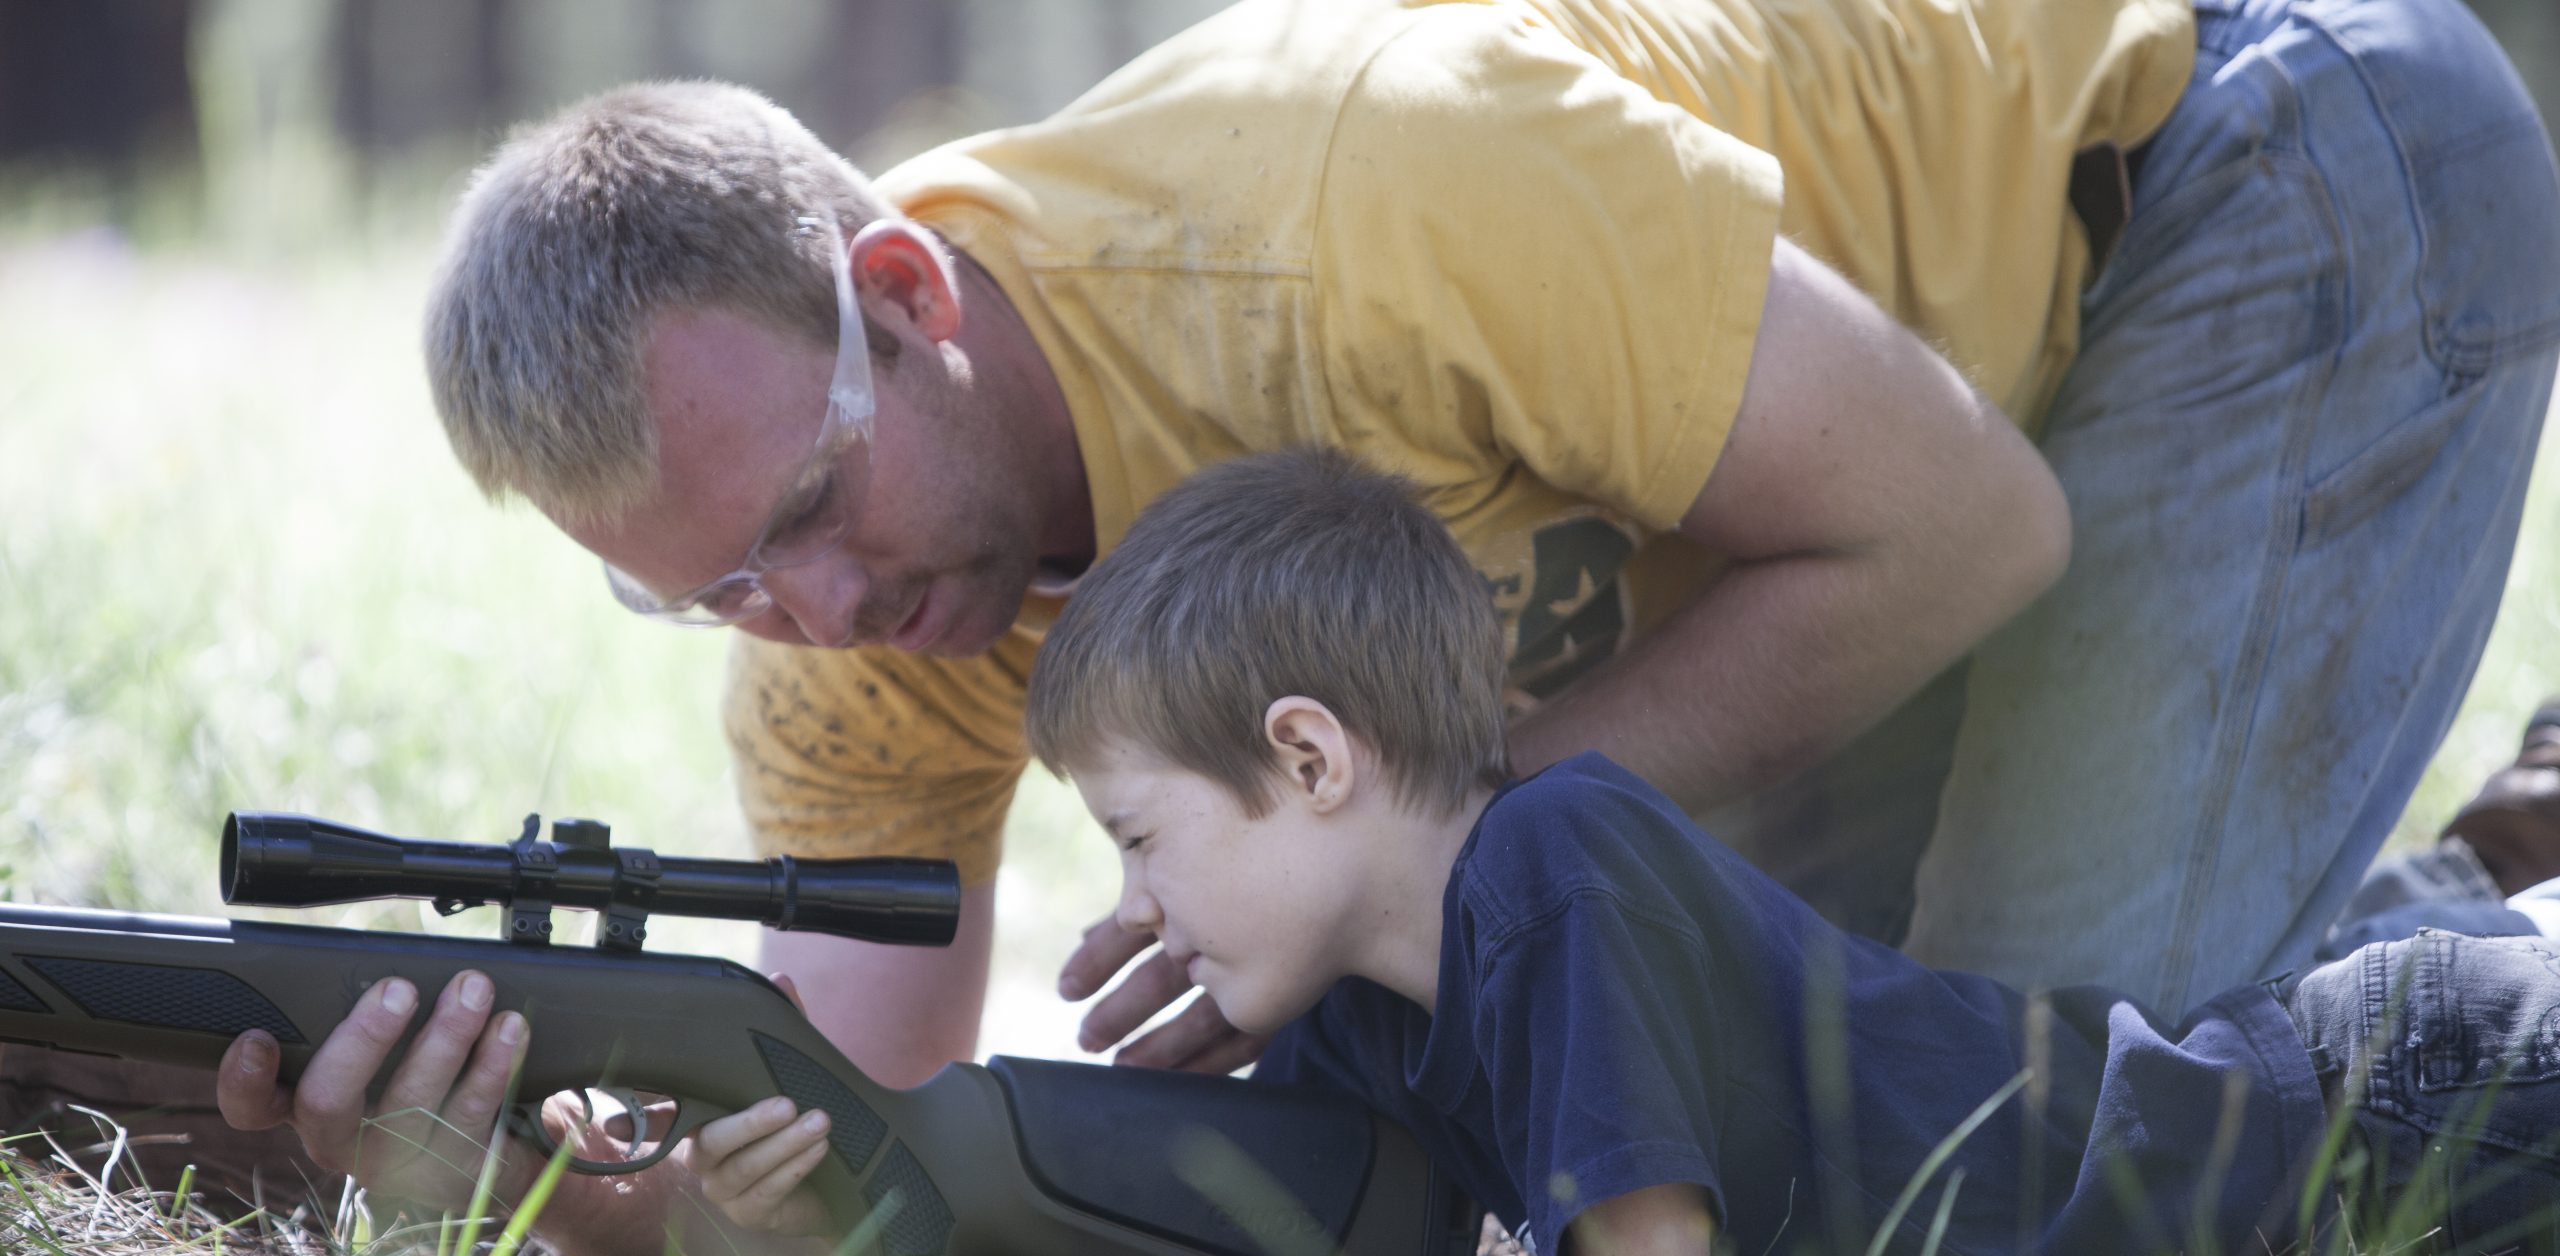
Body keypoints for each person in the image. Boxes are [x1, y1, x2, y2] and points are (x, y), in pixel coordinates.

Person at [408, 0, 2560, 1109]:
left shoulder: (1349, 200)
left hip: (2257, 148)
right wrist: (510, 1172)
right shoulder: (834, 605)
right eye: (700, 589)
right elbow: (851, 1149)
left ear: (902, 291)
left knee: (1994, 1134)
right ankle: (2457, 876)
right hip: (1911, 465)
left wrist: (1399, 864)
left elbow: (1968, 526)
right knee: (1779, 1072)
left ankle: (2483, 925)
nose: (810, 618)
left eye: (803, 514)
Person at [870, 449, 2560, 1256]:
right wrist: (847, 1199)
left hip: (2384, 1112)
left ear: (1310, 760)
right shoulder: (1362, 1011)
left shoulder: (1554, 867)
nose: (1133, 907)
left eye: (1139, 837)